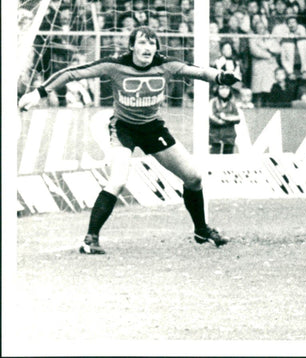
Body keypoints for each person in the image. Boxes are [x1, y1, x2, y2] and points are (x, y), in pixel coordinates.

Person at [18, 26, 237, 254]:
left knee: (194, 177)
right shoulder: (115, 65)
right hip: (124, 128)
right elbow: (73, 73)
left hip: (152, 128)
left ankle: (201, 230)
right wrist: (38, 93)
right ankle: (90, 240)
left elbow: (199, 72)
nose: (148, 48)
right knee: (118, 180)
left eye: (152, 43)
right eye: (142, 42)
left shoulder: (166, 65)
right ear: (132, 46)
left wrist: (220, 77)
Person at [209, 84, 242, 154]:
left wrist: (225, 117)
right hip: (215, 136)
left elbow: (237, 118)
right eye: (222, 88)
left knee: (228, 159)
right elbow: (211, 117)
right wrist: (221, 121)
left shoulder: (232, 104)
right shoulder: (213, 102)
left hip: (229, 136)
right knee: (214, 158)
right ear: (217, 90)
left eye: (227, 88)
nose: (224, 91)